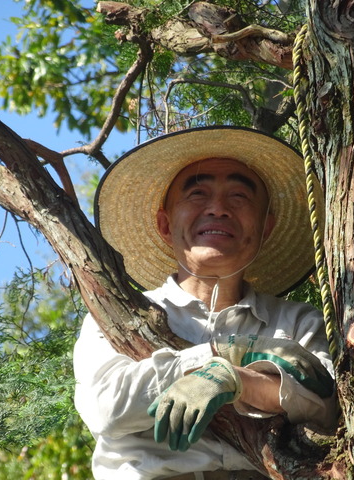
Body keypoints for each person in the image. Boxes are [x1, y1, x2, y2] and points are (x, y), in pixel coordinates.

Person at [74, 126, 338, 480]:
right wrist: (218, 354)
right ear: (165, 224)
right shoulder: (119, 314)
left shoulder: (296, 322)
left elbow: (327, 404)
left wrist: (232, 378)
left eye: (239, 197)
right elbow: (105, 408)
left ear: (266, 228)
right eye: (197, 194)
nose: (218, 209)